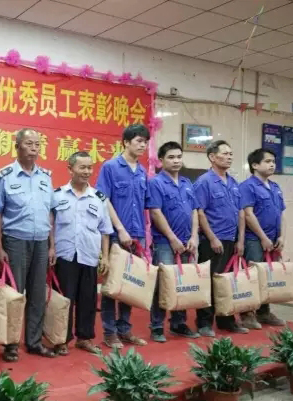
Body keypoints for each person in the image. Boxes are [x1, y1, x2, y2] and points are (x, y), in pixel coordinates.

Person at [0, 128, 57, 362]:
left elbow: (50, 213)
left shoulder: (45, 176)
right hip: (15, 241)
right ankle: (10, 344)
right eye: (29, 144)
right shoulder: (4, 175)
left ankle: (34, 342)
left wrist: (52, 245)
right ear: (17, 146)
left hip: (41, 242)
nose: (34, 148)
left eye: (37, 144)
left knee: (37, 294)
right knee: (15, 295)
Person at [52, 151, 112, 356]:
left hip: (89, 254)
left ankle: (84, 338)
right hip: (64, 255)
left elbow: (105, 230)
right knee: (64, 300)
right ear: (70, 169)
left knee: (88, 299)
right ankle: (61, 339)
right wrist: (51, 248)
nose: (87, 171)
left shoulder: (98, 198)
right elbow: (50, 226)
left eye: (89, 167)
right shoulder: (57, 195)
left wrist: (105, 257)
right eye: (82, 167)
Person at [96, 124, 150, 349]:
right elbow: (103, 199)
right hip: (117, 236)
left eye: (145, 142)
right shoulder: (110, 167)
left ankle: (125, 329)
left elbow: (145, 205)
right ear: (126, 142)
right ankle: (109, 332)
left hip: (138, 236)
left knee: (130, 285)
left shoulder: (143, 171)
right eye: (139, 141)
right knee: (112, 285)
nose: (143, 145)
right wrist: (120, 229)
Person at [146, 142, 200, 343]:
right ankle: (157, 326)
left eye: (179, 157)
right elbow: (155, 212)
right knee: (163, 284)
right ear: (161, 160)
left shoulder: (187, 183)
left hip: (187, 242)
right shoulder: (156, 183)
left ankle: (179, 323)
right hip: (164, 243)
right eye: (171, 157)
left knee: (182, 283)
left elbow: (194, 211)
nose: (176, 161)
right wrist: (172, 239)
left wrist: (194, 236)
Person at [194, 140, 248, 336]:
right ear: (212, 157)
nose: (229, 157)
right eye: (225, 153)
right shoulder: (204, 182)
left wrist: (240, 240)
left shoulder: (233, 183)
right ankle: (204, 323)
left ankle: (226, 320)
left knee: (227, 281)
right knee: (209, 282)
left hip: (231, 240)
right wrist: (212, 238)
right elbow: (200, 212)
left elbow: (241, 212)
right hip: (212, 241)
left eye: (231, 154)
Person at [238, 148, 286, 329]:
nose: (272, 164)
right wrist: (263, 237)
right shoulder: (247, 186)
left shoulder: (275, 187)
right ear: (255, 165)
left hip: (273, 240)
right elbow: (248, 215)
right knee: (251, 276)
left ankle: (264, 312)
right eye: (267, 161)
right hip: (254, 240)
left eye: (273, 161)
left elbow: (282, 214)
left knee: (267, 277)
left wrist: (282, 236)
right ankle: (247, 314)